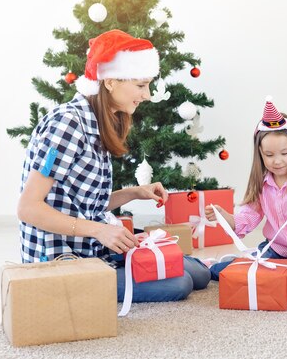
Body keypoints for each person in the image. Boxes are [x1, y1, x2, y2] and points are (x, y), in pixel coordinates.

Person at [17, 29, 210, 303]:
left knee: (198, 274)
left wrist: (134, 192)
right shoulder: (68, 124)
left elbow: (83, 205)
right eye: (141, 85)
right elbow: (28, 208)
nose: (147, 95)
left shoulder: (98, 121)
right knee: (180, 282)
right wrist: (100, 230)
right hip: (62, 262)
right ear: (110, 81)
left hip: (94, 251)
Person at [204, 97, 287, 287]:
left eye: (284, 153)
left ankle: (228, 268)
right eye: (269, 155)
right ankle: (208, 269)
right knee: (242, 273)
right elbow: (248, 216)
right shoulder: (263, 184)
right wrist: (226, 218)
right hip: (273, 249)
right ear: (260, 153)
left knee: (276, 282)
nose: (277, 161)